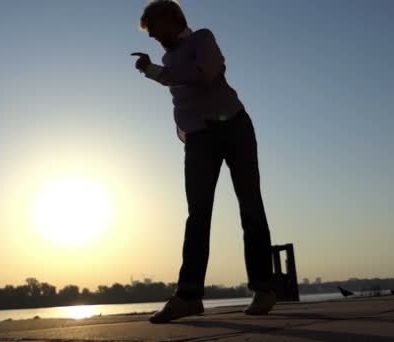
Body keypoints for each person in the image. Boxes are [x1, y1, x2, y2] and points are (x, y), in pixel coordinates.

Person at [131, 0, 277, 324]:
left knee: (250, 206)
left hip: (235, 127)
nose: (155, 38)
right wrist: (183, 128)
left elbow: (205, 74)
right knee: (198, 215)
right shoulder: (169, 59)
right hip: (199, 139)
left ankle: (264, 288)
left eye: (156, 30)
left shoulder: (202, 40)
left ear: (172, 19)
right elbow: (181, 91)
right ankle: (188, 296)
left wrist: (155, 72)